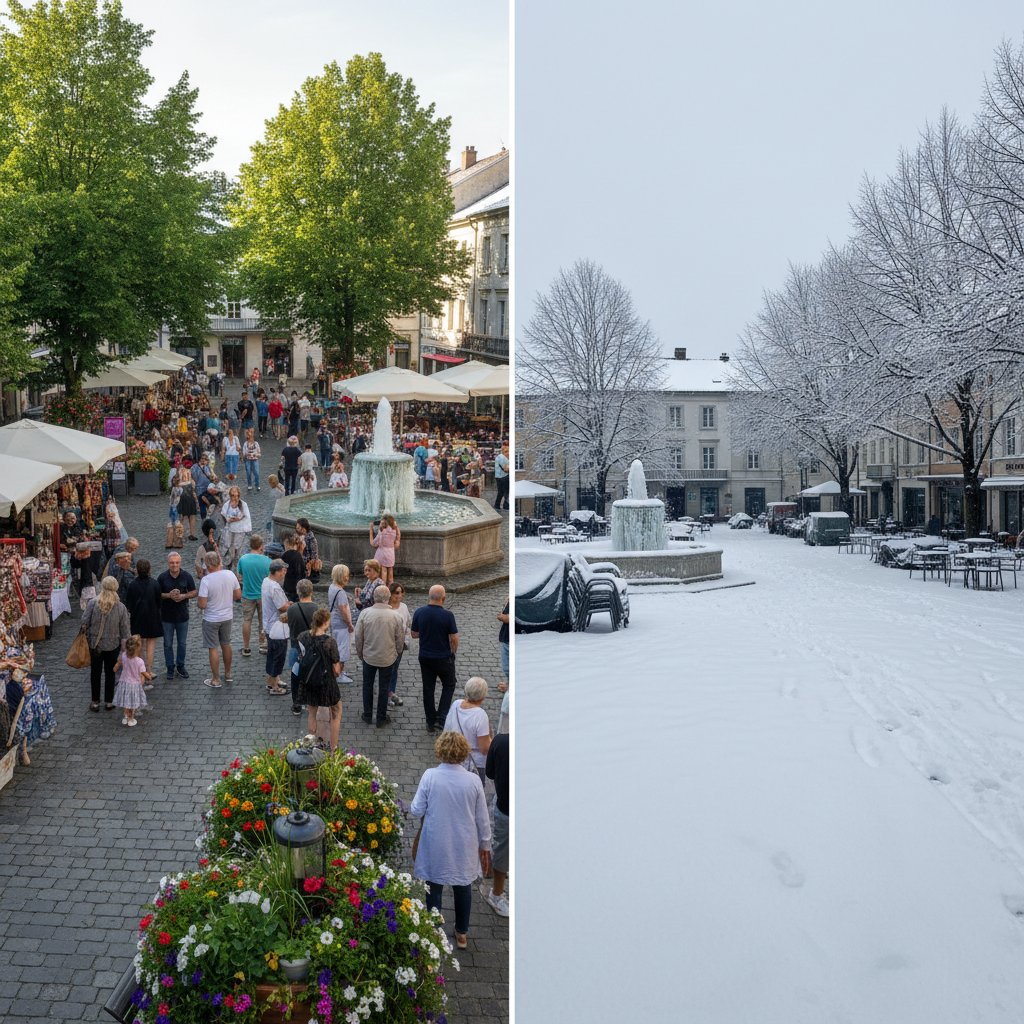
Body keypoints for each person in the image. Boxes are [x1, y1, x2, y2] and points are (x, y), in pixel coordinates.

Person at [410, 731, 492, 951]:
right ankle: (462, 932)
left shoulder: (430, 776)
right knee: (463, 887)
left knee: (434, 887)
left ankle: (434, 929)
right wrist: (485, 845)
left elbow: (416, 809)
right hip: (464, 843)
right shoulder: (473, 781)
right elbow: (482, 818)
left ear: (440, 751)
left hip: (436, 840)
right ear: (464, 752)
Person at [353, 585, 404, 728]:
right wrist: (397, 653)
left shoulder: (365, 614)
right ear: (388, 598)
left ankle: (367, 714)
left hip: (369, 656)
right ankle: (381, 717)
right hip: (387, 657)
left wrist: (360, 653)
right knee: (384, 687)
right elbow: (399, 639)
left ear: (374, 597)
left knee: (367, 685)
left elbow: (358, 637)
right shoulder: (396, 616)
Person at [411, 585, 459, 732]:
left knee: (428, 688)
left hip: (425, 657)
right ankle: (442, 717)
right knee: (449, 685)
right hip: (443, 657)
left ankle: (430, 721)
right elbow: (454, 638)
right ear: (443, 598)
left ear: (429, 596)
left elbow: (414, 634)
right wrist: (453, 652)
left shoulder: (419, 612)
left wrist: (425, 633)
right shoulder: (448, 615)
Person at [82, 576, 132, 712]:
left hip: (95, 644)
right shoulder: (121, 607)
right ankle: (109, 701)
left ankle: (95, 702)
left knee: (95, 673)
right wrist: (124, 651)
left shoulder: (93, 603)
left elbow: (84, 621)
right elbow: (125, 631)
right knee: (111, 673)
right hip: (113, 645)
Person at [296, 608, 342, 750]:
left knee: (312, 712)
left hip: (309, 681)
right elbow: (336, 669)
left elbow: (301, 656)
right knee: (336, 711)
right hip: (326, 682)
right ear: (326, 622)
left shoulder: (302, 637)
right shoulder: (329, 642)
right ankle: (333, 749)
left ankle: (311, 746)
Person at [197, 550, 240, 688]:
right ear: (219, 561)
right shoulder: (230, 574)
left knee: (213, 648)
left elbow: (202, 605)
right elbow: (238, 595)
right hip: (227, 616)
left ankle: (215, 679)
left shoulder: (206, 580)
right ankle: (228, 674)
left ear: (207, 565)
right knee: (226, 644)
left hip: (211, 619)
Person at [442, 677, 492, 784]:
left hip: (453, 758)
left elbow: (447, 730)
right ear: (483, 696)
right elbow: (484, 748)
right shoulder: (480, 715)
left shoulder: (456, 704)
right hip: (474, 764)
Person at [483, 730, 510, 917]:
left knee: (502, 850)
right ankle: (497, 894)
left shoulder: (500, 741)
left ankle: (498, 893)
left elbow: (490, 773)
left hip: (505, 807)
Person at [158, 552, 196, 681]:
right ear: (168, 563)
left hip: (182, 616)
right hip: (166, 616)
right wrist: (169, 595)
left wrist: (184, 596)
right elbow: (157, 594)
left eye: (177, 562)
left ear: (180, 562)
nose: (174, 565)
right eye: (172, 562)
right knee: (167, 644)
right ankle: (170, 667)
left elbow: (194, 591)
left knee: (182, 643)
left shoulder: (186, 576)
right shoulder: (162, 577)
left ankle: (180, 666)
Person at [125, 559, 163, 677]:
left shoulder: (132, 585)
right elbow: (159, 603)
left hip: (137, 618)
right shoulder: (155, 583)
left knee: (139, 645)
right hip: (152, 617)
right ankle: (149, 670)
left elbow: (129, 604)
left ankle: (140, 671)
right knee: (151, 645)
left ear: (137, 569)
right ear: (149, 569)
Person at [261, 559, 291, 697]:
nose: (284, 574)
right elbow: (282, 607)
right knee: (278, 656)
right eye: (283, 571)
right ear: (278, 572)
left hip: (269, 625)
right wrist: (290, 605)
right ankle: (274, 686)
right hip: (277, 627)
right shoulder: (275, 587)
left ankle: (272, 679)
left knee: (272, 655)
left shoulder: (266, 581)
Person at [287, 579, 318, 714]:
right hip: (312, 649)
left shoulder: (291, 609)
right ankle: (312, 701)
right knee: (312, 676)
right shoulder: (316, 609)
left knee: (295, 677)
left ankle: (296, 704)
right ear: (311, 591)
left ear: (298, 592)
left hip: (296, 648)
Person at [237, 534, 271, 657]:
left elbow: (240, 573)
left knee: (247, 620)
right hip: (263, 595)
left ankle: (246, 648)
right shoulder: (267, 561)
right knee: (263, 621)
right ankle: (263, 645)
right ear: (261, 546)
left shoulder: (243, 559)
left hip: (247, 594)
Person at [327, 563, 355, 685]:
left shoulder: (332, 587)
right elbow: (343, 610)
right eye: (346, 575)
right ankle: (338, 674)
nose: (348, 578)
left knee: (336, 648)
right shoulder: (341, 592)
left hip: (334, 621)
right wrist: (349, 624)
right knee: (342, 650)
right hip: (341, 624)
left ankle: (338, 672)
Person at [113, 635, 150, 727]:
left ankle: (125, 717)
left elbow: (118, 664)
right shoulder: (139, 661)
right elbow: (144, 673)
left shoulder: (124, 655)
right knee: (132, 703)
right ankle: (131, 719)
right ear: (138, 648)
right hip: (134, 685)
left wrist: (115, 668)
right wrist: (148, 677)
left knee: (126, 701)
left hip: (124, 683)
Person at [386, 582, 411, 707]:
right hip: (387, 644)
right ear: (390, 594)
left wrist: (406, 641)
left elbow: (407, 625)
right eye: (396, 593)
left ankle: (391, 693)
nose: (399, 595)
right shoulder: (386, 608)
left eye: (401, 592)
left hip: (400, 644)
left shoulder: (404, 607)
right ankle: (387, 693)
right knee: (387, 670)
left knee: (394, 670)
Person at [221, 486, 252, 569]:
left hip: (239, 530)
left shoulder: (243, 504)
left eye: (236, 495)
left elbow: (245, 516)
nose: (234, 497)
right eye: (232, 495)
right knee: (229, 547)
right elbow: (224, 515)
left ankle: (237, 567)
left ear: (238, 495)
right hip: (230, 529)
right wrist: (228, 519)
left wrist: (238, 518)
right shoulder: (227, 505)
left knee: (238, 548)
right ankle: (229, 564)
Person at [369, 514, 400, 586]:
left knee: (383, 572)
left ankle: (383, 588)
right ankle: (391, 588)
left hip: (382, 554)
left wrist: (371, 530)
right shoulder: (394, 531)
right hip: (391, 554)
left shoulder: (382, 533)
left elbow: (373, 543)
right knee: (390, 572)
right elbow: (398, 537)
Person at [281, 532, 306, 602]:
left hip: (287, 586)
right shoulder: (298, 555)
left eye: (284, 545)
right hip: (296, 587)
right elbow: (302, 571)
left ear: (287, 544)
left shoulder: (284, 556)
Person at [176, 467, 199, 540]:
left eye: (186, 473)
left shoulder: (191, 481)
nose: (185, 474)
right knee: (181, 517)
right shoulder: (179, 482)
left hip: (190, 499)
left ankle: (192, 534)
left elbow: (193, 489)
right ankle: (180, 535)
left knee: (192, 516)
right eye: (183, 473)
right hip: (182, 500)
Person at [494, 442, 510, 510]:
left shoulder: (500, 457)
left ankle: (497, 505)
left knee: (501, 492)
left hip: (499, 476)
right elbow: (505, 469)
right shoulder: (501, 458)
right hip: (503, 476)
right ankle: (505, 505)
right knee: (506, 491)